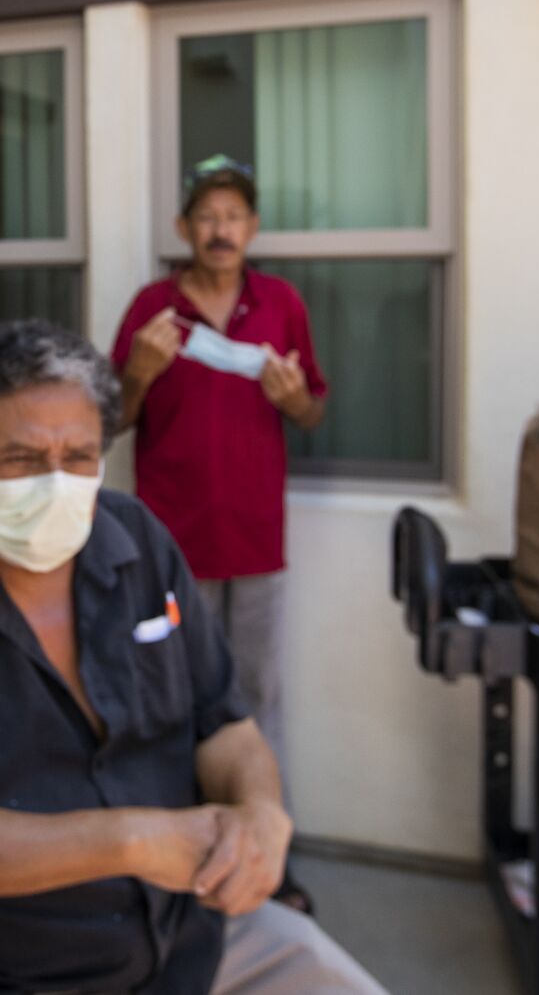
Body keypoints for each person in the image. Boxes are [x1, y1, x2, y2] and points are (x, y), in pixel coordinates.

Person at [0, 320, 383, 994]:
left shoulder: (137, 539)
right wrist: (133, 841)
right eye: (22, 458)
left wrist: (261, 813)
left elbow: (224, 724)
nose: (55, 484)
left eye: (79, 456)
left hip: (187, 937)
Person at [110, 155, 327, 905]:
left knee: (258, 696)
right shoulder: (152, 309)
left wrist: (295, 398)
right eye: (207, 215)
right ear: (184, 228)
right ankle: (183, 856)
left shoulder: (281, 304)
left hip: (256, 541)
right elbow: (112, 420)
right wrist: (138, 370)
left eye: (234, 215)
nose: (220, 228)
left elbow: (314, 413)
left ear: (253, 226)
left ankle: (272, 858)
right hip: (169, 547)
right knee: (171, 697)